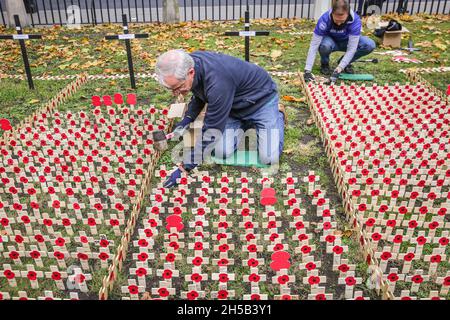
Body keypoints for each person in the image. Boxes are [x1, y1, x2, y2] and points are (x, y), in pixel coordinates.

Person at [155, 50, 286, 188]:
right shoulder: (189, 63)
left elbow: (212, 130)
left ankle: (278, 115)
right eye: (172, 89)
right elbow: (200, 93)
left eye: (178, 87)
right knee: (221, 152)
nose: (176, 93)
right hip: (232, 106)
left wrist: (185, 167)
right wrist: (187, 120)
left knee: (269, 158)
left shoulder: (218, 83)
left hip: (261, 101)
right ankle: (244, 123)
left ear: (191, 72)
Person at [303, 0, 376, 83]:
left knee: (369, 44)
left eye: (342, 21)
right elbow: (314, 45)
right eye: (336, 20)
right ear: (332, 13)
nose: (338, 23)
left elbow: (352, 48)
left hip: (347, 41)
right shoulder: (324, 19)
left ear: (348, 14)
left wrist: (340, 68)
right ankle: (325, 64)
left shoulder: (355, 21)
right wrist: (307, 70)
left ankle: (344, 62)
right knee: (324, 46)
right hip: (330, 41)